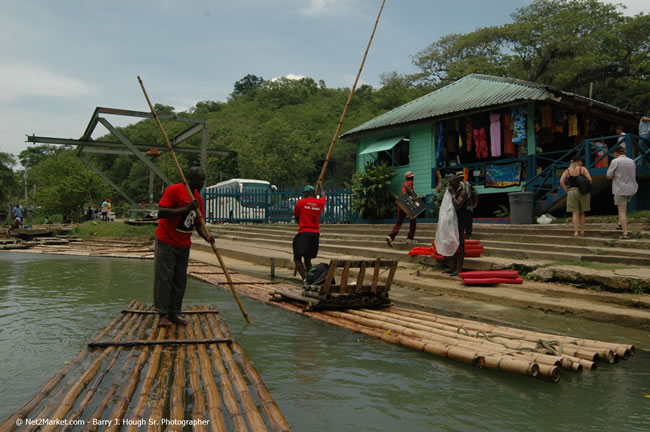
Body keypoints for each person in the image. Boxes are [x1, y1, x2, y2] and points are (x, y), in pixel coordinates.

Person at [154, 166, 215, 327]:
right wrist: (185, 209)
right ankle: (162, 314)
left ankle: (174, 313)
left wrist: (207, 237)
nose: (203, 182)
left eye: (204, 179)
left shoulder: (198, 199)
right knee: (164, 278)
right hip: (167, 241)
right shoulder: (174, 190)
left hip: (184, 244)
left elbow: (198, 223)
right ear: (190, 178)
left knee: (180, 279)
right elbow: (162, 212)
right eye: (200, 179)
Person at [292, 180, 326, 279]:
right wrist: (321, 186)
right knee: (307, 259)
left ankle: (306, 280)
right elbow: (324, 197)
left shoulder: (300, 203)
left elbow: (297, 218)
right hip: (315, 234)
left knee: (297, 258)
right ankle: (310, 279)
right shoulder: (319, 203)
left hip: (304, 233)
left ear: (306, 193)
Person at [607, 146, 638, 239]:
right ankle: (620, 223)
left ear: (616, 153)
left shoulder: (615, 161)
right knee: (624, 208)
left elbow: (608, 175)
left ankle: (625, 233)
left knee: (621, 211)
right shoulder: (632, 161)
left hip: (620, 189)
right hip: (631, 188)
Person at [444, 174, 470, 275]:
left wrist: (453, 194)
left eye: (452, 183)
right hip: (453, 221)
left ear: (457, 183)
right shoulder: (454, 191)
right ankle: (453, 267)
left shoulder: (462, 192)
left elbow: (458, 205)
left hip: (461, 221)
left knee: (460, 245)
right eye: (449, 183)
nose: (450, 185)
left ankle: (459, 269)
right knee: (453, 243)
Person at [560, 157, 592, 237]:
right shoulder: (582, 169)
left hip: (571, 192)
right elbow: (590, 179)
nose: (582, 163)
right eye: (581, 161)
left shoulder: (567, 170)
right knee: (582, 213)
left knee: (575, 213)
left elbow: (561, 181)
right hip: (582, 192)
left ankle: (576, 232)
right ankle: (582, 232)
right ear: (578, 162)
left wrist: (567, 190)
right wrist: (587, 187)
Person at [385, 172, 417, 247]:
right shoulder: (410, 182)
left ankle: (390, 237)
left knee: (399, 222)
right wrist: (413, 196)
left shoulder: (403, 184)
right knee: (413, 220)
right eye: (412, 177)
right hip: (407, 203)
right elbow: (408, 188)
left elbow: (405, 189)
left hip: (401, 204)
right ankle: (410, 239)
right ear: (411, 177)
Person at [455, 170, 475, 240]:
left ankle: (462, 234)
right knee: (468, 221)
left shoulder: (458, 185)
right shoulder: (468, 184)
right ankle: (467, 235)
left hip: (461, 205)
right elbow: (475, 193)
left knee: (460, 221)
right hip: (468, 205)